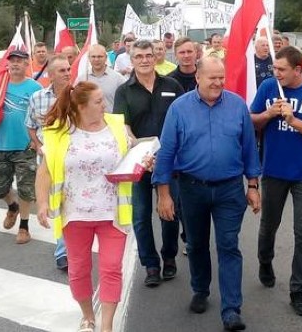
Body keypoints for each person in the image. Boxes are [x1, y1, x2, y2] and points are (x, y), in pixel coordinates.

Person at [154, 56, 261, 331]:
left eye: (221, 77)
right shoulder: (179, 108)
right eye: (212, 77)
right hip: (191, 189)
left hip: (229, 190)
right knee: (197, 244)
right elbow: (166, 152)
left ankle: (231, 310)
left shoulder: (237, 105)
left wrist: (253, 185)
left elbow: (249, 147)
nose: (218, 83)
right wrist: (163, 194)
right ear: (198, 78)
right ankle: (200, 289)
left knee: (228, 245)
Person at [35, 82, 138, 332]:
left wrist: (144, 159)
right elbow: (45, 171)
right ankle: (88, 317)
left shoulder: (116, 126)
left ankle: (106, 326)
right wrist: (41, 203)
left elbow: (135, 152)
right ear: (81, 107)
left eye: (103, 99)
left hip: (112, 213)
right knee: (79, 270)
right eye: (98, 101)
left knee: (111, 268)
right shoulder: (59, 132)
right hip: (74, 215)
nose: (105, 105)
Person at [250, 46, 302, 316]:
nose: (276, 73)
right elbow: (252, 121)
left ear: (298, 69)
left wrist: (293, 120)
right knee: (269, 225)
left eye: (282, 69)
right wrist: (269, 114)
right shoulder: (269, 87)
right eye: (274, 68)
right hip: (274, 170)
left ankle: (298, 290)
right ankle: (265, 260)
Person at [113, 39, 184, 287]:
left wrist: (166, 154)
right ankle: (151, 265)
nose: (144, 60)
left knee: (170, 212)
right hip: (139, 161)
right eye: (138, 56)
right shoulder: (124, 91)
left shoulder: (172, 85)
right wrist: (139, 148)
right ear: (131, 60)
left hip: (169, 160)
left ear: (155, 58)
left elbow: (183, 120)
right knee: (141, 216)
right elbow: (123, 126)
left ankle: (169, 257)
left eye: (148, 55)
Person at [0, 48, 44, 245]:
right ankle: (12, 206)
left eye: (20, 60)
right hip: (0, 145)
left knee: (26, 188)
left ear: (28, 64)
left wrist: (37, 142)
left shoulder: (35, 88)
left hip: (25, 146)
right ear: (7, 63)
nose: (16, 63)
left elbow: (42, 117)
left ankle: (24, 226)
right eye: (12, 60)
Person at [26, 55, 72, 270]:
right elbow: (31, 125)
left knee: (69, 202)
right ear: (50, 75)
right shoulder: (37, 97)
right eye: (61, 70)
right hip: (48, 159)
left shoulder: (78, 96)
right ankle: (62, 251)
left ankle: (69, 248)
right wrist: (37, 145)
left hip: (72, 158)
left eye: (68, 69)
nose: (67, 73)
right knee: (55, 203)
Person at [87, 44, 125, 113]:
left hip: (112, 122)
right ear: (89, 58)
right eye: (93, 56)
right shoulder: (82, 79)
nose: (96, 59)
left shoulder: (118, 79)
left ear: (106, 57)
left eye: (100, 56)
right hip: (89, 122)